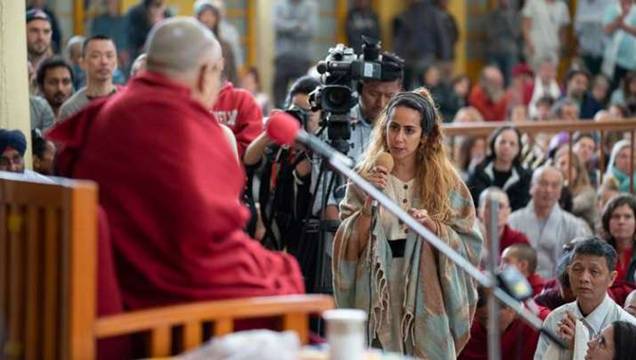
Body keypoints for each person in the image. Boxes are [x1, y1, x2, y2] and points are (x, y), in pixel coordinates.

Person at [47, 17, 303, 313]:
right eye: (218, 74)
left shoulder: (110, 111)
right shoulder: (182, 126)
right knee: (285, 279)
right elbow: (211, 245)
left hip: (113, 289)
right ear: (205, 73)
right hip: (165, 313)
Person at [333, 89, 483, 358]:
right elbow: (346, 242)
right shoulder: (364, 177)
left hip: (427, 290)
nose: (399, 138)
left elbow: (470, 244)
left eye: (409, 130)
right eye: (393, 127)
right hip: (375, 283)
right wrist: (369, 204)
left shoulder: (447, 184)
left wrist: (435, 229)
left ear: (425, 137)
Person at [534, 237, 636, 360]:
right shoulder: (556, 318)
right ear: (568, 272)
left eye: (594, 271)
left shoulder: (628, 326)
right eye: (577, 269)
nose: (584, 278)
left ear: (612, 278)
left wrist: (577, 348)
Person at [509, 165, 592, 278]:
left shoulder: (574, 225)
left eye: (554, 185)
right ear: (531, 187)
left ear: (560, 192)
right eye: (543, 184)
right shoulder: (513, 221)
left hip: (557, 289)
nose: (548, 190)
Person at [459, 286, 540, 360]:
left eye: (488, 318)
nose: (487, 327)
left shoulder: (538, 324)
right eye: (480, 320)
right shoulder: (470, 331)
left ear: (511, 307)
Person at [467, 126, 532, 211]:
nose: (506, 147)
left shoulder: (525, 176)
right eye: (502, 142)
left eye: (512, 144)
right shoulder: (478, 171)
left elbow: (523, 207)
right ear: (494, 143)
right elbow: (471, 202)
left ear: (518, 149)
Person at [58, 35, 119, 120]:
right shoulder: (71, 109)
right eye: (95, 56)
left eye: (109, 56)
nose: (104, 61)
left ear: (116, 63)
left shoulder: (127, 102)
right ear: (82, 63)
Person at [272, 0, 318, 107]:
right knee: (279, 91)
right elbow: (277, 25)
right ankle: (280, 116)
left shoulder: (310, 5)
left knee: (304, 91)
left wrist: (287, 28)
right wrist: (297, 25)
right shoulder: (280, 4)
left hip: (302, 58)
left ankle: (302, 117)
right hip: (283, 56)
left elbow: (311, 30)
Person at [194, 0, 238, 85]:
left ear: (216, 18)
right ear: (198, 17)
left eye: (211, 15)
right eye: (204, 15)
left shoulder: (225, 46)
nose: (207, 19)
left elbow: (233, 75)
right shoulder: (192, 45)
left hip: (222, 90)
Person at [553, 146, 597, 229]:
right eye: (562, 163)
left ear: (578, 170)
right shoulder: (551, 189)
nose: (566, 168)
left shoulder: (588, 192)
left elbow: (569, 207)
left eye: (571, 165)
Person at [477, 187, 529, 257]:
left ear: (509, 212)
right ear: (479, 212)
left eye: (500, 206)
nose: (496, 211)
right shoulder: (470, 239)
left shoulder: (519, 242)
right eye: (489, 206)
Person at [521, 0, 570, 71]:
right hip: (536, 47)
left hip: (553, 48)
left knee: (551, 76)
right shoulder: (532, 2)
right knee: (534, 75)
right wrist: (529, 44)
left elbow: (563, 31)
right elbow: (525, 26)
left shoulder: (562, 6)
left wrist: (561, 47)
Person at [601, 194, 636, 284]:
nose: (621, 221)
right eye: (616, 216)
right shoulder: (598, 252)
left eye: (627, 216)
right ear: (607, 221)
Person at [484, 0, 521, 86]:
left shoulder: (515, 15)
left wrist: (507, 18)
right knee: (493, 80)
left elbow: (516, 34)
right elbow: (489, 34)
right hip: (494, 52)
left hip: (510, 52)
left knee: (511, 80)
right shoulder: (492, 15)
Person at [602, 0, 636, 90]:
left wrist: (623, 25)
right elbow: (606, 30)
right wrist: (621, 17)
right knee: (611, 87)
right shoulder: (611, 9)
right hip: (614, 60)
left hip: (632, 61)